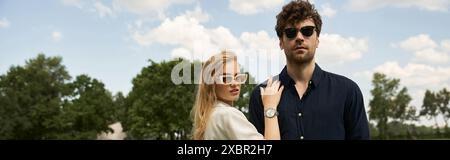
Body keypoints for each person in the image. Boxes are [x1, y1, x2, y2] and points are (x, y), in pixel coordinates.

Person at [249, 0, 370, 140]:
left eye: (307, 31)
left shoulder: (348, 91)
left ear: (317, 39)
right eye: (290, 32)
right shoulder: (261, 94)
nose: (299, 37)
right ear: (281, 42)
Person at [191, 51, 284, 140]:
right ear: (211, 84)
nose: (234, 83)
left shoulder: (209, 116)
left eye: (238, 77)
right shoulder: (227, 115)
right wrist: (270, 107)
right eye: (226, 78)